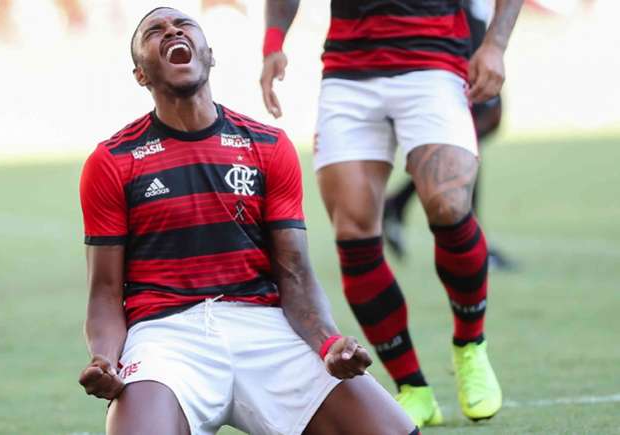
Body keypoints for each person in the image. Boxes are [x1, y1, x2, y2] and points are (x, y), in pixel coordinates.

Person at [77, 7, 417, 435]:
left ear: (209, 55)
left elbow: (294, 273)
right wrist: (105, 359)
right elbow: (105, 292)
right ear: (140, 75)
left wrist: (328, 342)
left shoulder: (268, 146)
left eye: (183, 26)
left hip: (264, 328)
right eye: (154, 31)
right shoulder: (112, 161)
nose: (171, 32)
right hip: (166, 337)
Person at [260, 0, 523, 427]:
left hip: (436, 65)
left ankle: (470, 345)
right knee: (353, 232)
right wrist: (273, 44)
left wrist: (494, 44)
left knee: (449, 205)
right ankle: (412, 387)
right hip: (348, 75)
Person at [382, 0, 517, 271]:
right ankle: (473, 244)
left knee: (475, 132)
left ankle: (398, 204)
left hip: (471, 30)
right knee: (468, 135)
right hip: (456, 36)